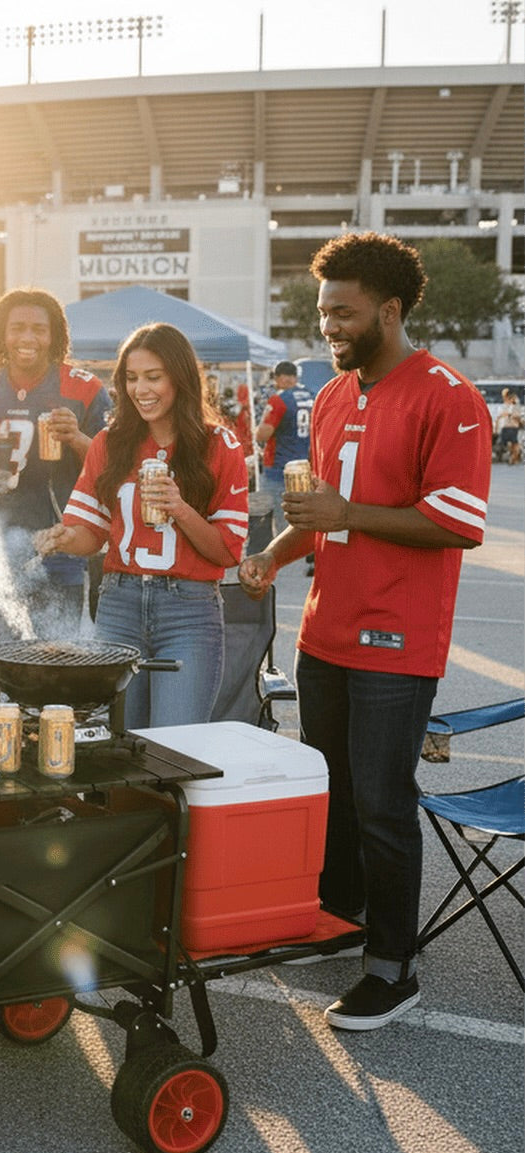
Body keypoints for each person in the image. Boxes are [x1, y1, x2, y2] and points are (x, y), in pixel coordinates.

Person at [238, 231, 492, 1031]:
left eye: (342, 314)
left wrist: (344, 514)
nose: (328, 328)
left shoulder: (448, 394)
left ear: (389, 308)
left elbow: (456, 522)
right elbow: (321, 518)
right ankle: (340, 913)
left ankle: (392, 965)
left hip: (395, 635)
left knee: (383, 801)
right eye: (321, 314)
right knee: (337, 791)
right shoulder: (334, 395)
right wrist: (272, 554)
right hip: (326, 631)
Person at [36, 322, 248, 728]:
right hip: (119, 604)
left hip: (188, 609)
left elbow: (228, 551)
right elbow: (91, 533)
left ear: (180, 378)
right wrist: (65, 538)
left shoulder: (220, 445)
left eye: (154, 377)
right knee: (119, 747)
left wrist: (180, 508)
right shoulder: (108, 442)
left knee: (176, 747)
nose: (141, 390)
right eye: (131, 378)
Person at [0, 288, 111, 647]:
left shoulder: (85, 389)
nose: (27, 338)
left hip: (59, 545)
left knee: (56, 659)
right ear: (2, 332)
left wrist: (78, 439)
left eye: (38, 328)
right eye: (17, 328)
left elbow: (117, 469)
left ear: (54, 336)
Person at [255, 360, 316, 540]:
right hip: (306, 465)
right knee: (303, 518)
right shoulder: (312, 396)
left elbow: (262, 435)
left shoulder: (279, 399)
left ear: (280, 378)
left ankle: (280, 559)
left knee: (275, 522)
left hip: (279, 468)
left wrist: (256, 430)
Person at [495, 388, 521, 464]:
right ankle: (513, 457)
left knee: (513, 443)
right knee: (509, 443)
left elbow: (515, 416)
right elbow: (499, 417)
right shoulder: (504, 405)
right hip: (506, 426)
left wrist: (508, 415)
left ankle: (514, 457)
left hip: (512, 426)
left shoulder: (514, 405)